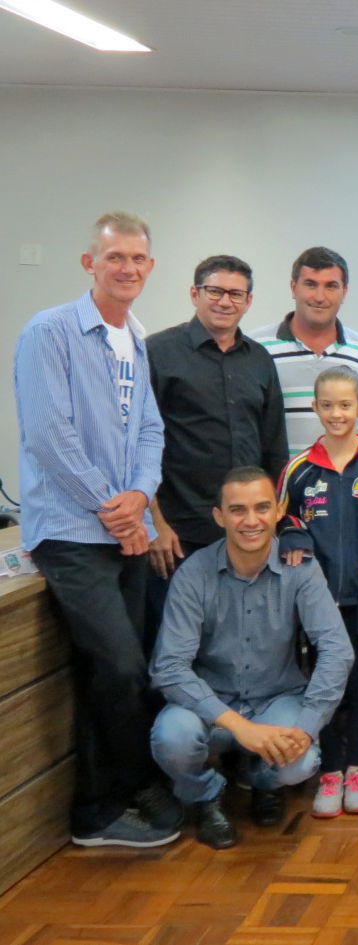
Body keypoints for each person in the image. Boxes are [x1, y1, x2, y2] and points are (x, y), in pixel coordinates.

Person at [15, 211, 181, 847]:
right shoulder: (49, 331)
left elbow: (150, 430)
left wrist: (138, 498)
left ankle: (95, 809)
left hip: (124, 531)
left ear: (150, 267)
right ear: (91, 263)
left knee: (111, 671)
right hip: (71, 534)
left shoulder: (134, 338)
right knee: (120, 666)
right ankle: (129, 789)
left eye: (138, 258)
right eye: (115, 257)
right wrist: (116, 508)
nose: (127, 268)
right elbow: (48, 434)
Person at [149, 467, 354, 849]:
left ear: (278, 511)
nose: (251, 520)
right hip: (211, 704)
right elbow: (169, 667)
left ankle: (262, 782)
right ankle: (206, 796)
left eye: (261, 508)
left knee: (301, 762)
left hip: (276, 699)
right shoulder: (193, 574)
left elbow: (336, 649)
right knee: (170, 738)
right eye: (237, 510)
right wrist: (240, 727)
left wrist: (306, 727)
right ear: (219, 516)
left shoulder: (301, 570)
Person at [277, 366, 358, 819]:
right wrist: (292, 534)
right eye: (327, 405)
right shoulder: (298, 469)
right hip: (316, 605)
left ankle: (357, 768)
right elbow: (282, 520)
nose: (337, 414)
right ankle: (330, 770)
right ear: (315, 407)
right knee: (322, 688)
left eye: (346, 405)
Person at [146, 255, 289, 611]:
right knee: (174, 634)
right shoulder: (157, 352)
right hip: (178, 534)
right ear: (195, 294)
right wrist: (154, 524)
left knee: (239, 632)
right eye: (215, 291)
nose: (225, 301)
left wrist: (271, 524)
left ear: (248, 301)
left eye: (236, 294)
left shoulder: (260, 359)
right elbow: (137, 446)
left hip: (245, 531)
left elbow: (274, 448)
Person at [250, 246, 358, 454]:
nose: (319, 297)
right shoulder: (257, 346)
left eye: (331, 286)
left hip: (343, 472)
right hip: (277, 473)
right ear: (294, 288)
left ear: (344, 292)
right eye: (310, 284)